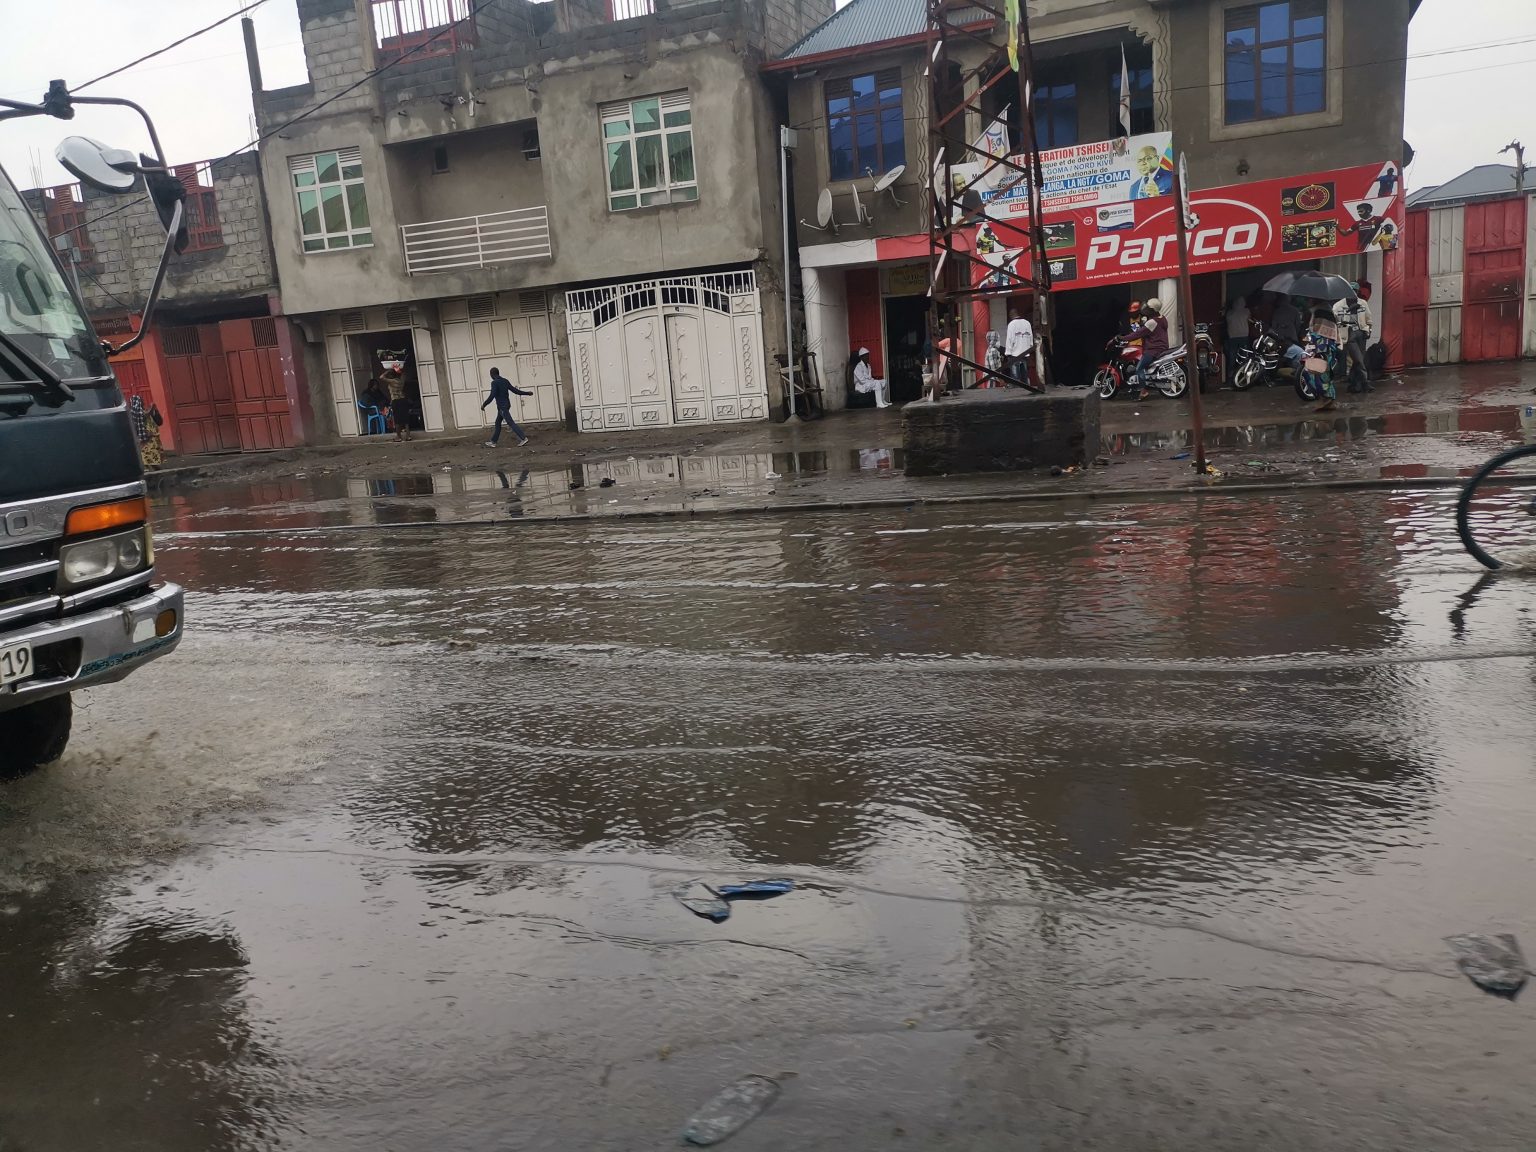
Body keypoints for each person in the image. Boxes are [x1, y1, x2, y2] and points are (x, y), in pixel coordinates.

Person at [1333, 286, 1374, 393]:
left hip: (1361, 333)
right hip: (1348, 334)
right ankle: (1365, 382)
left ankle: (1354, 384)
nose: (1353, 294)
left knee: (1358, 360)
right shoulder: (1338, 306)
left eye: (1355, 291)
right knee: (1359, 360)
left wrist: (1368, 331)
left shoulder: (1363, 303)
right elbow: (1335, 322)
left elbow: (1369, 319)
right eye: (1351, 291)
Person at [482, 366, 532, 447]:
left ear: (492, 374)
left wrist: (484, 405)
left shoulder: (494, 383)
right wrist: (527, 393)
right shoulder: (505, 381)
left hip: (502, 407)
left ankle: (523, 438)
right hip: (506, 405)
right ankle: (493, 442)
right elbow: (515, 391)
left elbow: (492, 396)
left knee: (510, 422)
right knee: (498, 422)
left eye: (490, 375)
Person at [1133, 298, 1170, 399]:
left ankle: (1143, 391)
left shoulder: (1152, 322)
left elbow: (1137, 334)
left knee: (1139, 368)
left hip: (1153, 350)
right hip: (1162, 347)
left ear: (1153, 310)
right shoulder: (1162, 318)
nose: (1145, 309)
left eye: (1148, 308)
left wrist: (1122, 338)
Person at [1269, 294, 1307, 377]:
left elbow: (1273, 325)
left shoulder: (1277, 311)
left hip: (1279, 337)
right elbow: (1298, 325)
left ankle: (1281, 374)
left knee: (1282, 354)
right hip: (1292, 337)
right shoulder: (1295, 310)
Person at [128, 394, 164, 471]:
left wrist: (155, 410)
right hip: (143, 436)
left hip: (152, 436)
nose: (143, 402)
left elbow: (158, 421)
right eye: (141, 400)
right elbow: (144, 416)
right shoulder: (134, 413)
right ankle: (147, 467)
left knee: (153, 452)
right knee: (145, 452)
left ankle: (154, 466)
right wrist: (152, 408)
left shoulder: (144, 411)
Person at [1224, 295, 1251, 384]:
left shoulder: (1229, 313)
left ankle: (1230, 377)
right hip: (1244, 336)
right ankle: (1242, 376)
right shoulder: (1246, 311)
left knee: (1232, 357)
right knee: (1244, 357)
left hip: (1232, 337)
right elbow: (1250, 319)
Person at [1004, 308, 1034, 386]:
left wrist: (1008, 353)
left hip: (1014, 354)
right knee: (1024, 375)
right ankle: (1026, 389)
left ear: (1011, 315)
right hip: (1025, 353)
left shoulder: (1011, 324)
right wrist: (1029, 348)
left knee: (1015, 377)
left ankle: (1016, 390)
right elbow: (1030, 338)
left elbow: (1009, 339)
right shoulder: (1027, 323)